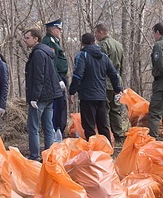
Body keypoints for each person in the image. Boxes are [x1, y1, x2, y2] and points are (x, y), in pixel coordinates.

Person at [70, 32, 123, 140]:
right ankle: (107, 150)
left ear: (82, 44)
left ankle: (93, 150)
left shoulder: (82, 55)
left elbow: (77, 75)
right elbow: (113, 74)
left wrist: (72, 91)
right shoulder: (104, 57)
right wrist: (118, 89)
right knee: (103, 125)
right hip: (101, 95)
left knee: (89, 126)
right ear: (94, 42)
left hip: (87, 96)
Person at [23, 27, 61, 161]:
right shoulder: (46, 52)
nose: (25, 40)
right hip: (50, 94)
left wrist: (34, 97)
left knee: (33, 127)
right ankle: (49, 155)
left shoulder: (38, 53)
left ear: (35, 39)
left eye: (27, 38)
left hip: (41, 96)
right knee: (47, 126)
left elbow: (39, 76)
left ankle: (35, 156)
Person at [94, 23, 129, 143]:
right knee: (116, 109)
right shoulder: (118, 44)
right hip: (117, 80)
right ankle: (119, 134)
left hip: (106, 81)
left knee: (104, 110)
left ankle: (105, 136)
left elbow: (101, 65)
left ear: (101, 32)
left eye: (96, 33)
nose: (95, 35)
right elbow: (123, 64)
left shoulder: (103, 45)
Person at [41, 19, 70, 142]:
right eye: (59, 29)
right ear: (53, 29)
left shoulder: (54, 41)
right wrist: (58, 79)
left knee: (62, 106)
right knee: (56, 106)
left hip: (60, 78)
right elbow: (51, 64)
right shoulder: (49, 42)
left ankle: (59, 130)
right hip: (55, 80)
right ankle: (55, 131)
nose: (61, 31)